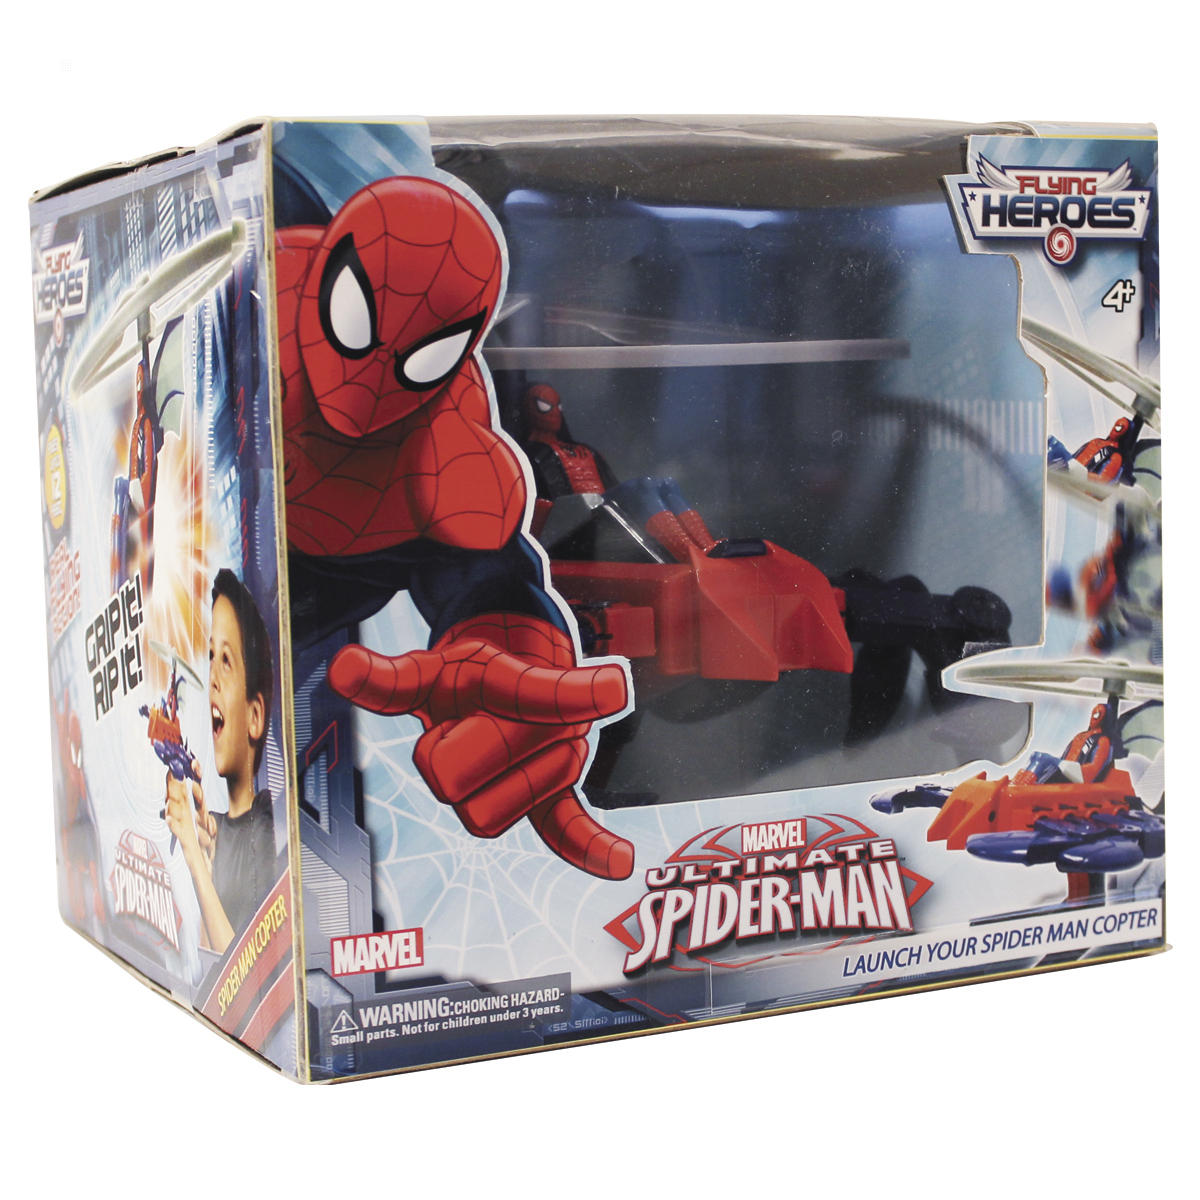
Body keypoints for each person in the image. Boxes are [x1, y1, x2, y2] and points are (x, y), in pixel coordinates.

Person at [165, 569, 275, 954]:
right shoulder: (217, 830)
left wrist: (194, 858)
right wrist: (206, 866)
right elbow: (214, 971)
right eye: (211, 655)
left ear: (255, 716)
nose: (211, 676)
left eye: (226, 660)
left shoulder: (270, 825)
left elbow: (249, 969)